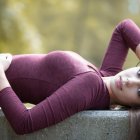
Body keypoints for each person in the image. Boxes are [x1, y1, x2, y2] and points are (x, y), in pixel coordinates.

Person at [0, 19, 140, 139]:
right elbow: (124, 28)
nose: (130, 81)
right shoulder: (106, 76)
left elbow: (24, 122)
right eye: (139, 74)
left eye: (139, 91)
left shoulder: (91, 86)